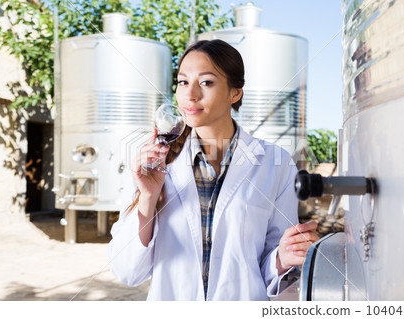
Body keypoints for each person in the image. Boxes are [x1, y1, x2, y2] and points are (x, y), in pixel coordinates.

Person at [107, 39, 319, 301]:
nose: (190, 94)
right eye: (183, 82)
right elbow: (127, 271)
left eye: (206, 82)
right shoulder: (154, 163)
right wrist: (148, 198)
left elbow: (265, 269)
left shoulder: (275, 163)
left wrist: (283, 258)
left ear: (235, 93)